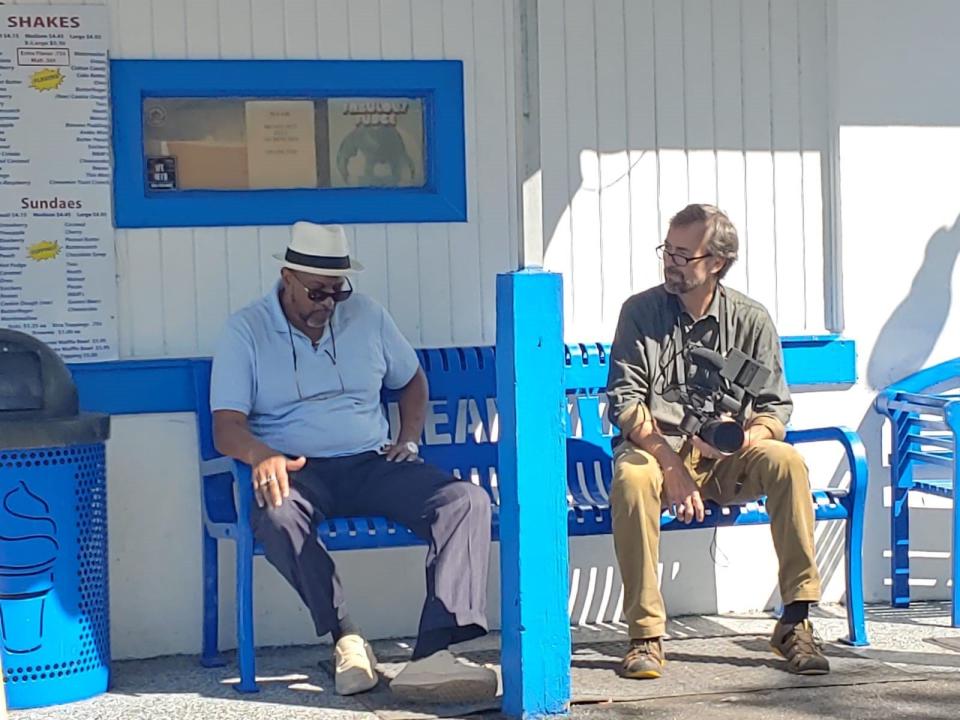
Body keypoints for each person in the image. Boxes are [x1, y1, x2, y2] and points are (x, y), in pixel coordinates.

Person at [210, 221, 496, 702]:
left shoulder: (368, 315)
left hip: (372, 460)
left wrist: (408, 437)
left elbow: (411, 381)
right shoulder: (246, 329)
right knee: (276, 515)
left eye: (337, 294)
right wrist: (261, 456)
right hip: (299, 469)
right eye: (317, 292)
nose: (327, 304)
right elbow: (227, 426)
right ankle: (346, 638)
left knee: (466, 501)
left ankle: (432, 653)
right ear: (288, 277)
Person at [605, 204, 829, 680]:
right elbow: (624, 403)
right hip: (657, 447)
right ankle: (645, 635)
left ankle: (796, 620)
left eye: (684, 255)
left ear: (717, 263)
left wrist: (743, 438)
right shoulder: (639, 313)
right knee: (630, 476)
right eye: (668, 250)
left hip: (729, 453)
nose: (671, 262)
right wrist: (672, 464)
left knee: (787, 462)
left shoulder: (750, 319)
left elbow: (776, 408)